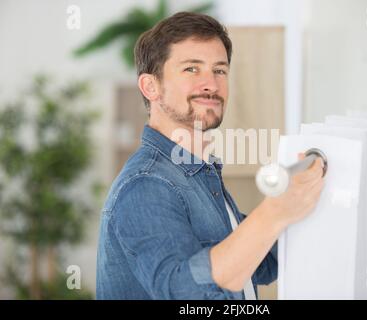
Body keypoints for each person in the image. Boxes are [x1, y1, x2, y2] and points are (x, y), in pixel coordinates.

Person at [96, 11, 325, 300]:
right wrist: (274, 212)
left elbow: (260, 263)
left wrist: (307, 198)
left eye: (219, 70)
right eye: (192, 69)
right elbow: (184, 293)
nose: (211, 84)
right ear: (150, 86)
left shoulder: (200, 174)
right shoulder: (147, 185)